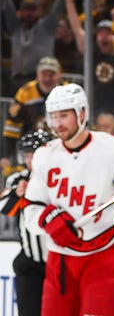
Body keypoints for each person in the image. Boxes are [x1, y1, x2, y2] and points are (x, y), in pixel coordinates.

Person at [22, 83, 114, 315]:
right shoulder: (45, 155)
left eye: (64, 116)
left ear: (82, 113)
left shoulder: (112, 148)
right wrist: (50, 219)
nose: (58, 124)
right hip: (61, 258)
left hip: (105, 254)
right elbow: (31, 210)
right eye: (54, 117)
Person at [65, 0, 114, 132]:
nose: (104, 37)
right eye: (100, 33)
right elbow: (77, 30)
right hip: (95, 112)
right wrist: (69, 3)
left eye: (108, 33)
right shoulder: (93, 55)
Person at [0, 129, 53, 316]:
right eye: (27, 155)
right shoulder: (18, 178)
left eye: (34, 154)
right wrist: (17, 193)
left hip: (57, 260)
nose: (29, 160)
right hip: (30, 263)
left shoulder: (58, 176)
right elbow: (3, 206)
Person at [2, 56, 64, 170]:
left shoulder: (66, 91)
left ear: (59, 74)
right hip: (31, 151)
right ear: (37, 74)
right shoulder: (25, 93)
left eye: (51, 74)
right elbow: (12, 127)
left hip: (60, 148)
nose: (47, 79)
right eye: (44, 74)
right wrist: (5, 155)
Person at [0, 0, 64, 95]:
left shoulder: (47, 26)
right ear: (20, 11)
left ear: (40, 11)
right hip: (16, 81)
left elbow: (58, 8)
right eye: (26, 10)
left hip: (40, 81)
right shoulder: (15, 27)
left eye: (33, 10)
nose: (29, 13)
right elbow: (7, 7)